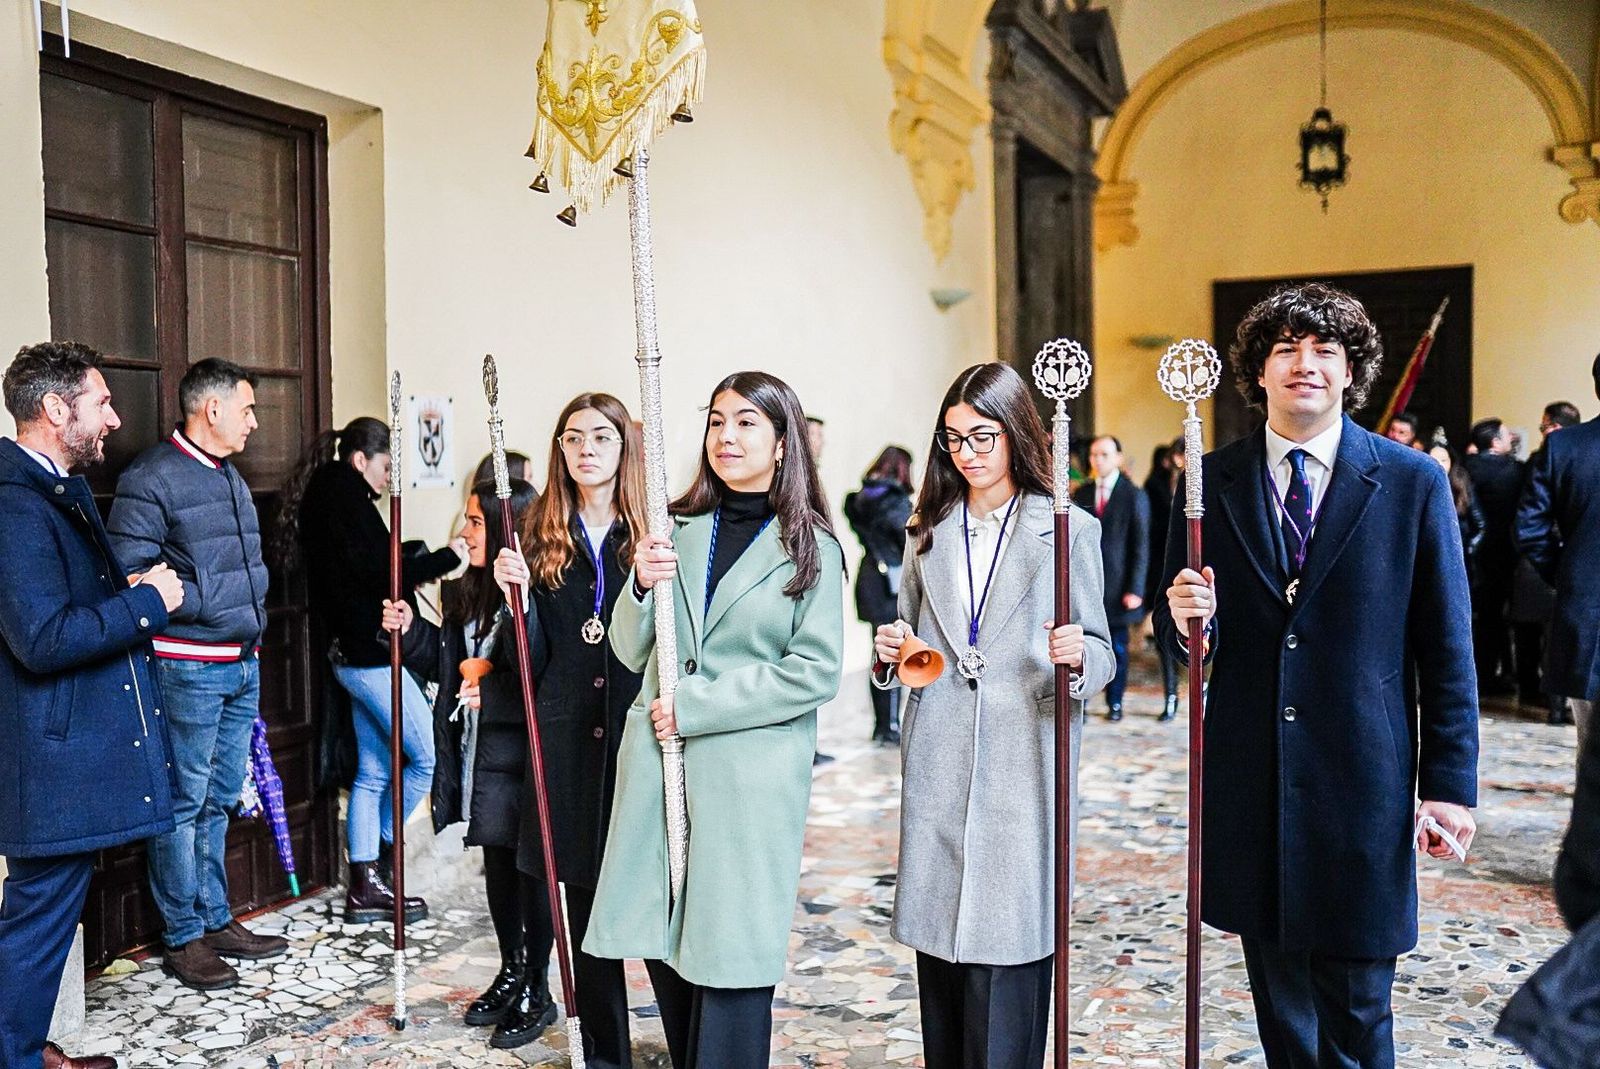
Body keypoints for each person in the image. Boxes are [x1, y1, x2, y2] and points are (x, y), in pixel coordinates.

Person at [1158, 283, 1478, 1069]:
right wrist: (1189, 621)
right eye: (1285, 349)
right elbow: (1190, 649)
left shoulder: (1409, 483)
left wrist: (1448, 783)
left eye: (1324, 350)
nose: (1305, 364)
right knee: (1282, 1011)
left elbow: (1447, 646)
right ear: (1258, 373)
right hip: (1255, 782)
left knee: (1360, 1010)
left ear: (1350, 371)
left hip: (1362, 783)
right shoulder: (1209, 484)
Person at [585, 372, 844, 1068]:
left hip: (745, 779)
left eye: (746, 423)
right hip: (664, 770)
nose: (726, 436)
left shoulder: (812, 546)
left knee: (729, 959)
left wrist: (697, 707)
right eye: (717, 421)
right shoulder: (675, 528)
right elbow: (630, 646)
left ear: (783, 442)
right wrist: (639, 581)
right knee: (668, 944)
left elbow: (813, 670)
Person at [874, 362, 1114, 1069]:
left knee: (1008, 961)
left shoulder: (1066, 530)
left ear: (1016, 434)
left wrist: (1080, 658)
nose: (969, 453)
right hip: (941, 756)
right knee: (942, 970)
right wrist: (892, 650)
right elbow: (913, 636)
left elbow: (1100, 651)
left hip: (1023, 760)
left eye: (983, 436)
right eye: (953, 440)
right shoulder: (928, 530)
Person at [0, 341, 184, 1069]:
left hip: (62, 757)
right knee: (38, 917)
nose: (115, 417)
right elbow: (41, 638)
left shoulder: (47, 488)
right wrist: (145, 604)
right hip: (49, 763)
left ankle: (20, 1047)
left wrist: (121, 591)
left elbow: (59, 605)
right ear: (55, 409)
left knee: (43, 913)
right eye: (101, 401)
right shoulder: (14, 506)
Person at [104, 359, 283, 991]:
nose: (254, 422)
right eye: (247, 409)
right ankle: (182, 936)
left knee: (217, 798)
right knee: (182, 802)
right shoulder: (152, 478)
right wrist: (195, 605)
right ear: (211, 410)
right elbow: (128, 573)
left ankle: (215, 916)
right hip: (187, 668)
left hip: (241, 665)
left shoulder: (229, 477)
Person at [381, 478, 553, 1049]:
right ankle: (511, 968)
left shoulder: (537, 591)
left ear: (507, 528)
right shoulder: (465, 595)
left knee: (532, 873)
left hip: (525, 756)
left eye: (476, 523)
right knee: (499, 869)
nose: (464, 533)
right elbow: (447, 666)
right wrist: (412, 633)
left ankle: (538, 983)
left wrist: (494, 691)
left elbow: (541, 676)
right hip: (482, 757)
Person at [272, 417, 463, 923]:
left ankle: (364, 887)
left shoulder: (331, 497)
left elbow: (371, 563)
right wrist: (448, 558)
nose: (385, 479)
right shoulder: (346, 498)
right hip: (371, 656)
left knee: (375, 771)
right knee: (426, 759)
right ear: (361, 460)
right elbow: (382, 568)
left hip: (349, 655)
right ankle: (376, 864)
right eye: (383, 467)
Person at [510, 392, 647, 1063]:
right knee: (585, 910)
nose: (585, 449)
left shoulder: (652, 529)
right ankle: (606, 1052)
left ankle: (689, 1035)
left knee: (656, 895)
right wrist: (510, 599)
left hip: (638, 733)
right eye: (571, 438)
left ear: (625, 447)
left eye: (600, 436)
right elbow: (528, 660)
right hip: (567, 738)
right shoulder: (539, 534)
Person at [1517, 362, 1599, 750]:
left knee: (1592, 752)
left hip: (1588, 611)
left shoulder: (1565, 446)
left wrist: (1567, 575)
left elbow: (1530, 529)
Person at [1510, 404, 1581, 722]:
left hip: (1563, 567)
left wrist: (1560, 569)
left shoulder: (1556, 453)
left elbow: (1531, 524)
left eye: (1546, 427)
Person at [1072, 435, 1149, 722]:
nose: (1097, 460)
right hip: (1088, 585)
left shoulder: (1134, 495)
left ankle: (1114, 702)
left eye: (1104, 454)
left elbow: (1141, 545)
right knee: (1083, 646)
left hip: (1119, 586)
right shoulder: (1082, 493)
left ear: (1118, 457)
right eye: (1093, 455)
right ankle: (1083, 701)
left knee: (1117, 647)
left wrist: (1136, 588)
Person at [843, 446, 915, 744]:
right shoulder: (896, 502)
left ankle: (881, 724)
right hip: (892, 582)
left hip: (870, 575)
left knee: (879, 650)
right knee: (893, 651)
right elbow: (907, 540)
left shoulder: (858, 499)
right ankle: (890, 727)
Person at [1463, 416, 1523, 696]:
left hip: (1468, 552)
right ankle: (1496, 675)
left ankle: (1477, 675)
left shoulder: (1465, 468)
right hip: (1504, 554)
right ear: (1495, 442)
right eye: (1506, 435)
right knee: (1498, 618)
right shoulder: (1513, 471)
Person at [1143, 438, 1184, 717]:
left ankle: (1201, 687)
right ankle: (1170, 694)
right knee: (1164, 632)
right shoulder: (1156, 484)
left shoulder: (1208, 479)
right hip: (1161, 564)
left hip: (1199, 563)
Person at [1425, 436, 1485, 580]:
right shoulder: (1419, 486)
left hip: (1457, 552)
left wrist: (1468, 549)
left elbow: (1480, 524)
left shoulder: (1461, 485)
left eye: (1444, 460)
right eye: (1433, 459)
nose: (1438, 464)